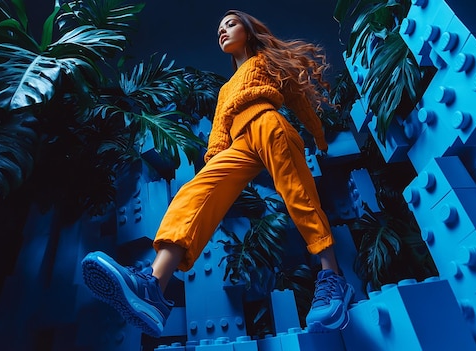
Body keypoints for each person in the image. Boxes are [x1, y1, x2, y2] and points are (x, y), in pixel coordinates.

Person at [81, 9, 355, 338]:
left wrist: (320, 137)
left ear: (249, 31)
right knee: (194, 194)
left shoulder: (265, 60)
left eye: (230, 24)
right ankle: (152, 286)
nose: (222, 31)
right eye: (219, 28)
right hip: (239, 145)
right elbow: (219, 137)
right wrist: (212, 166)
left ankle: (332, 278)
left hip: (269, 125)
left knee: (298, 195)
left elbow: (298, 99)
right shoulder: (225, 90)